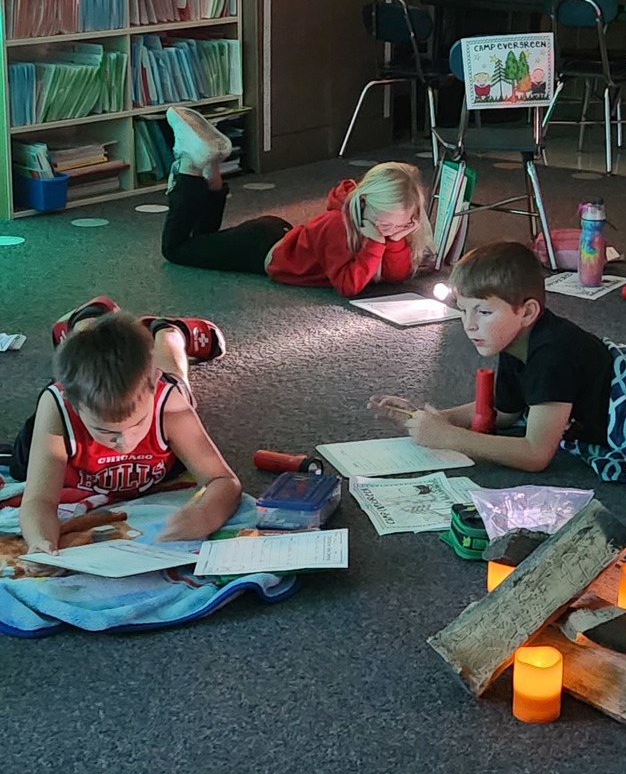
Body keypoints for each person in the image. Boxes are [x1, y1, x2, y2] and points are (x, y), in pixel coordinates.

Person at [369, 240, 626, 484]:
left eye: (484, 313)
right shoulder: (511, 341)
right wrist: (430, 416)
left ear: (526, 312)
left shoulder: (551, 354)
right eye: (464, 311)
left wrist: (448, 438)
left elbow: (535, 454)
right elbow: (505, 414)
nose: (470, 326)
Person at [17, 298, 242, 563]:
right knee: (86, 347)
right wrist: (41, 542)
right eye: (104, 431)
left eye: (137, 424)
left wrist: (206, 514)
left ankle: (169, 332)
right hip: (77, 448)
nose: (124, 443)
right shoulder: (58, 405)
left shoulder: (168, 402)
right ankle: (88, 319)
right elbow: (39, 500)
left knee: (176, 376)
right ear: (73, 406)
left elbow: (224, 481)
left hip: (161, 431)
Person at [160, 106, 433, 298]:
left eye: (400, 226)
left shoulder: (378, 222)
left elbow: (394, 276)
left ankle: (211, 164)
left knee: (203, 241)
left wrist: (396, 240)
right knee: (177, 249)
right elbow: (348, 286)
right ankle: (189, 166)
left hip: (277, 236)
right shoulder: (338, 226)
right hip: (258, 249)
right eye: (386, 224)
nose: (390, 231)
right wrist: (376, 244)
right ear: (365, 204)